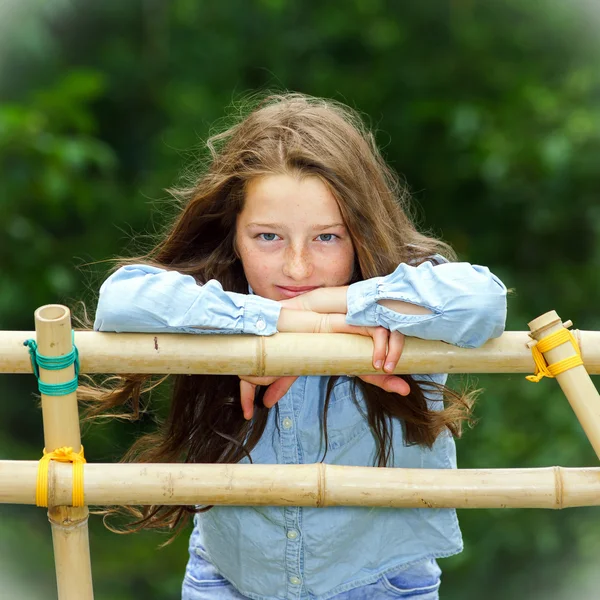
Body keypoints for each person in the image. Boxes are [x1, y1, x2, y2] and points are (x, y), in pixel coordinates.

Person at [91, 92, 507, 600]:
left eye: (327, 238)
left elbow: (483, 303)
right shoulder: (224, 294)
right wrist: (284, 321)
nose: (297, 268)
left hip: (383, 584)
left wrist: (340, 302)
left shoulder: (405, 293)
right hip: (227, 581)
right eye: (268, 237)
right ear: (233, 234)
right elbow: (119, 300)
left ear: (361, 233)